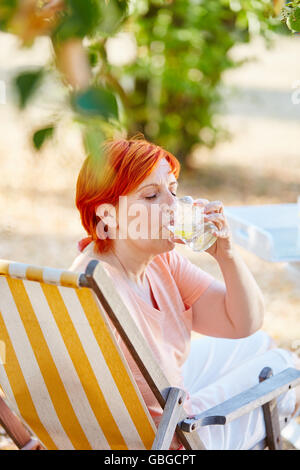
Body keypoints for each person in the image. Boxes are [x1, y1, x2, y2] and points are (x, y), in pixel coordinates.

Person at [69, 133, 300, 450]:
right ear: (106, 215)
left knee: (258, 343)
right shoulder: (96, 289)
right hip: (170, 441)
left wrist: (226, 255)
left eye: (173, 192)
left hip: (164, 409)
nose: (172, 206)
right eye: (151, 197)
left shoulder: (159, 261)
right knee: (285, 367)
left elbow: (242, 322)